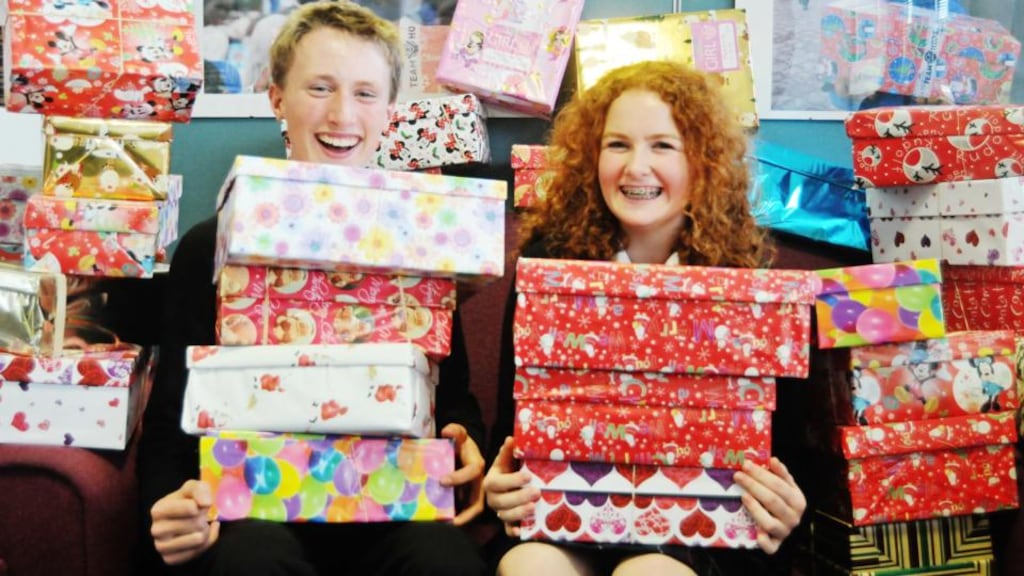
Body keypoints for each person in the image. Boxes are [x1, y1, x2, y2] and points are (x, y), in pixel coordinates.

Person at [137, 3, 486, 575]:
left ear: (391, 111)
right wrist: (169, 509)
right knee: (251, 561)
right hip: (252, 511)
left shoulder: (420, 241)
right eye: (320, 87)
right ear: (276, 98)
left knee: (444, 564)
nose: (342, 114)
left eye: (366, 93)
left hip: (394, 506)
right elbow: (171, 423)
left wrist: (463, 439)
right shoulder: (210, 247)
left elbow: (454, 401)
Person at [483, 60, 808, 576]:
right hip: (569, 517)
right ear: (592, 157)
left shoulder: (745, 282)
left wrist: (790, 504)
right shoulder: (550, 269)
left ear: (701, 161)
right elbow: (512, 426)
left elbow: (785, 446)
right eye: (617, 145)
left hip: (703, 534)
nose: (636, 167)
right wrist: (499, 485)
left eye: (663, 145)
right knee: (531, 567)